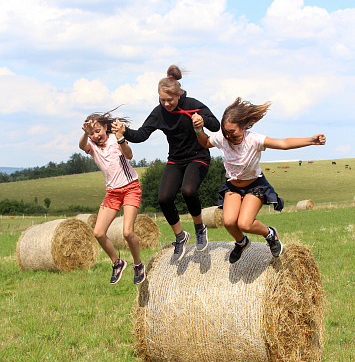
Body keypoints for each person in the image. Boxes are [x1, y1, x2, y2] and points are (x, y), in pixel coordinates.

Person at [192, 97, 326, 263]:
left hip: (255, 186)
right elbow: (205, 142)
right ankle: (242, 242)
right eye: (225, 131)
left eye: (232, 132)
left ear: (243, 127)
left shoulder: (253, 139)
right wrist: (198, 130)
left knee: (245, 224)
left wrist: (311, 141)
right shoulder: (222, 138)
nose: (228, 135)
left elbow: (283, 143)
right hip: (233, 186)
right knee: (228, 222)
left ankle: (270, 235)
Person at [117, 65, 220, 261]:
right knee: (164, 198)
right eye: (162, 100)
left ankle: (200, 228)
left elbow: (216, 125)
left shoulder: (192, 104)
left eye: (170, 100)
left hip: (198, 156)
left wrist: (201, 120)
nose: (166, 104)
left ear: (179, 94)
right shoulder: (159, 112)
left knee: (188, 191)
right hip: (176, 159)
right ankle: (180, 236)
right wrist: (124, 131)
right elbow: (141, 135)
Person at [79, 108, 146, 285]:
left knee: (127, 231)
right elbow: (81, 145)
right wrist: (85, 134)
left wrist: (121, 138)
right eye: (92, 133)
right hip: (112, 193)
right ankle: (117, 263)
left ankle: (138, 265)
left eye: (98, 131)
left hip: (131, 187)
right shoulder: (92, 146)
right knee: (98, 232)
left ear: (105, 128)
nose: (95, 135)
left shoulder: (116, 140)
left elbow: (130, 155)